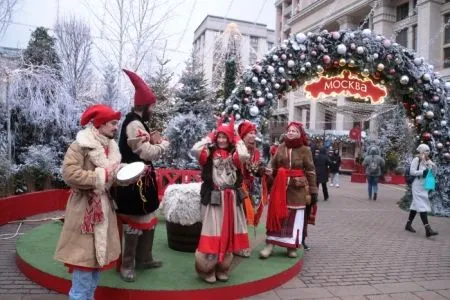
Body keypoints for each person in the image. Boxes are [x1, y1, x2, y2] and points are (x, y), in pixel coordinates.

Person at [54, 104, 123, 300]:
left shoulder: (111, 148)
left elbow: (111, 177)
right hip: (84, 211)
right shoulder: (79, 146)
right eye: (113, 123)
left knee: (94, 269)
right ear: (100, 124)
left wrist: (123, 174)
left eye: (116, 123)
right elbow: (70, 174)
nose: (115, 127)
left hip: (104, 211)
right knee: (83, 270)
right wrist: (101, 176)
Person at [113, 69, 170, 282]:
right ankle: (127, 265)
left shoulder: (138, 122)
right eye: (152, 107)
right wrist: (162, 145)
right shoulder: (134, 124)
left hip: (142, 180)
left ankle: (144, 258)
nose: (153, 110)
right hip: (133, 181)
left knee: (148, 217)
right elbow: (145, 152)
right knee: (135, 221)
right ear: (144, 106)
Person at [191, 116, 250, 283]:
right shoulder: (209, 154)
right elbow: (195, 150)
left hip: (231, 200)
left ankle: (223, 267)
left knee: (228, 233)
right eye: (220, 137)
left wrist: (237, 136)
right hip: (215, 198)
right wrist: (210, 136)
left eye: (225, 137)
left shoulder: (235, 155)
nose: (222, 140)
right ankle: (207, 269)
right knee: (213, 231)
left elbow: (244, 155)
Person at [259, 121, 317, 259]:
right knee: (277, 214)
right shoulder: (280, 147)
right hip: (280, 187)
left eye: (294, 131)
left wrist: (313, 190)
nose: (291, 133)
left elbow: (310, 171)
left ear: (300, 134)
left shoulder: (305, 150)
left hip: (297, 189)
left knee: (294, 216)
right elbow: (272, 165)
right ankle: (270, 245)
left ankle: (291, 246)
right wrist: (266, 171)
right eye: (289, 130)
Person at [234, 120, 267, 258]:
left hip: (250, 187)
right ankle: (238, 246)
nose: (253, 136)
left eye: (254, 133)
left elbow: (256, 170)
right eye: (250, 133)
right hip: (237, 186)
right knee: (239, 217)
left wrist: (263, 171)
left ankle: (239, 245)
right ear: (243, 135)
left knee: (244, 217)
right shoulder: (237, 148)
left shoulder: (256, 152)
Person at [405, 144, 438, 238]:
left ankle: (408, 224)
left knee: (415, 205)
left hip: (424, 186)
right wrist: (422, 172)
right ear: (422, 151)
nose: (427, 153)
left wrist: (430, 164)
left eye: (428, 151)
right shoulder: (416, 159)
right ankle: (428, 229)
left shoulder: (428, 160)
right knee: (422, 205)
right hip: (417, 185)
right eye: (425, 151)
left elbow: (433, 171)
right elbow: (412, 171)